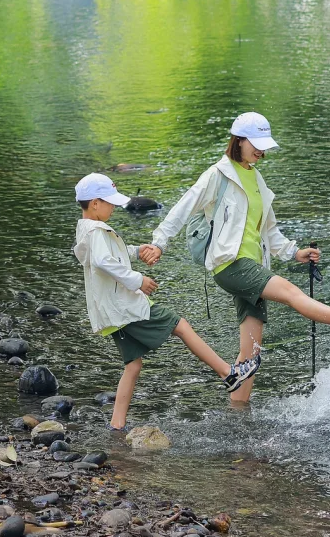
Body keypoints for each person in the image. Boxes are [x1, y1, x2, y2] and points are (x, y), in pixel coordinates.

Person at [139, 112, 330, 405]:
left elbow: (268, 230)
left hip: (252, 265)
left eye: (263, 144)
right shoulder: (218, 175)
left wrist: (295, 252)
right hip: (230, 264)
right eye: (255, 143)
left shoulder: (256, 178)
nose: (261, 149)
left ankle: (238, 415)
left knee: (250, 355)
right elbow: (183, 207)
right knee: (290, 292)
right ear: (239, 140)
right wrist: (159, 243)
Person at [73, 172, 259, 429]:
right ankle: (228, 374)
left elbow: (110, 256)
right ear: (95, 203)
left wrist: (137, 251)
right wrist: (138, 280)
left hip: (112, 311)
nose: (114, 207)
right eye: (110, 202)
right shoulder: (96, 231)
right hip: (124, 307)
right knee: (180, 325)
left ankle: (117, 425)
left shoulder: (87, 230)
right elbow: (103, 262)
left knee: (133, 365)